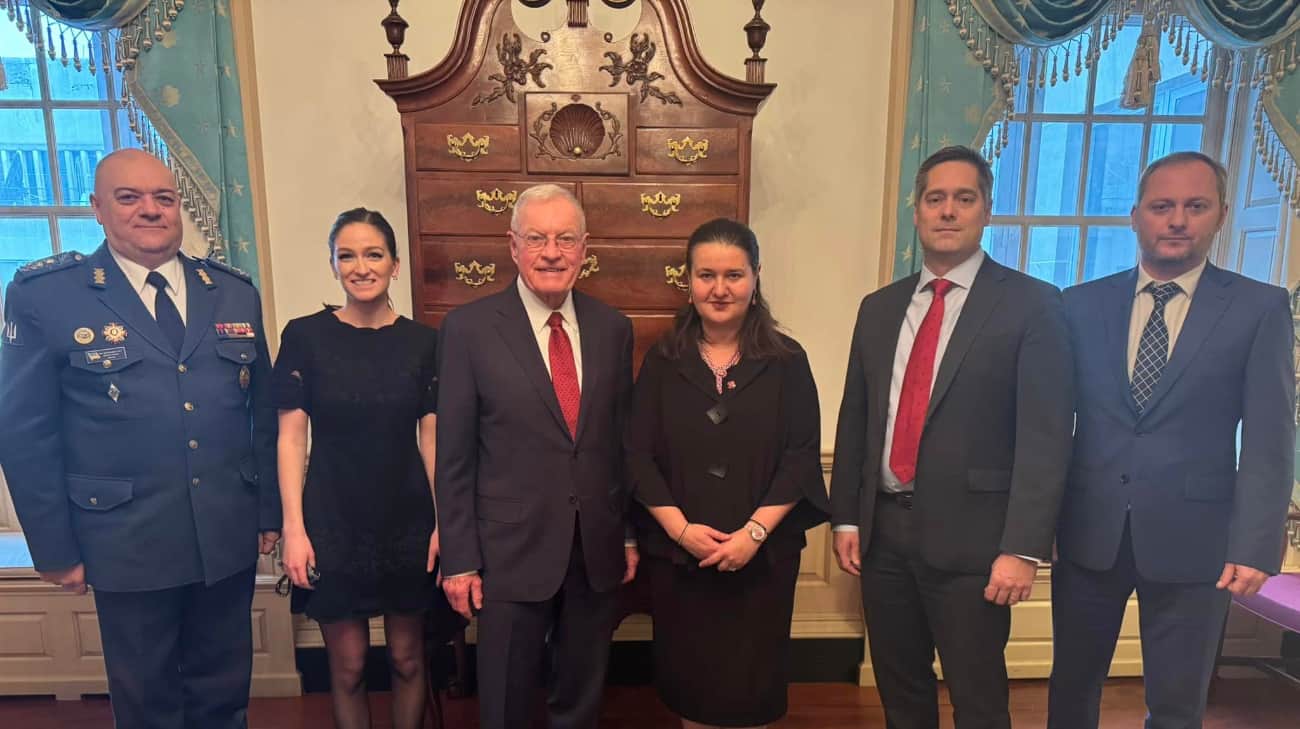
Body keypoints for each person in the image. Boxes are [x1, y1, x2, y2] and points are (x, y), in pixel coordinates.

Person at [0, 149, 280, 729]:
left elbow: (263, 413)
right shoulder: (47, 295)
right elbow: (25, 431)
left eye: (163, 198)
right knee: (148, 703)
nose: (150, 210)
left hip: (224, 532)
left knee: (224, 696)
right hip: (123, 539)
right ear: (97, 209)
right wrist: (54, 548)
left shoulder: (231, 291)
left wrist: (267, 512)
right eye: (128, 198)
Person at [828, 145, 1074, 729]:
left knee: (978, 697)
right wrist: (846, 519)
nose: (947, 211)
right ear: (916, 210)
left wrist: (1023, 548)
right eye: (935, 199)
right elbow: (856, 418)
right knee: (900, 690)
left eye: (964, 199)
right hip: (884, 536)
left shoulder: (1032, 305)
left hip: (978, 545)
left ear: (986, 210)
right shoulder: (879, 308)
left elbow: (1046, 437)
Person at [1047, 151, 1296, 729]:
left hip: (1198, 542)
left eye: (1195, 206)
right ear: (1135, 216)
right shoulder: (1078, 304)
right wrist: (1038, 527)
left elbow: (1270, 437)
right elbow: (1050, 428)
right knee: (1071, 691)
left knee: (1178, 705)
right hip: (1087, 534)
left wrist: (1256, 545)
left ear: (1222, 215)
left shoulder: (1258, 308)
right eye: (1162, 206)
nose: (1178, 220)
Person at [435, 183, 638, 729]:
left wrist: (626, 534)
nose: (552, 252)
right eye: (537, 239)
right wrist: (460, 559)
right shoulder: (468, 330)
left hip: (593, 551)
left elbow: (620, 444)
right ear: (513, 246)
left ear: (584, 248)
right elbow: (454, 457)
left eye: (565, 239)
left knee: (580, 700)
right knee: (505, 702)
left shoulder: (613, 329)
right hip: (507, 554)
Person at [625, 218, 829, 728]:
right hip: (681, 560)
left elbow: (801, 456)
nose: (720, 289)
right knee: (692, 689)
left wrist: (753, 535)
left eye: (734, 275)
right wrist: (681, 532)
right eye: (706, 275)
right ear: (688, 281)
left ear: (755, 277)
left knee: (750, 690)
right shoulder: (662, 361)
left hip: (763, 560)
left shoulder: (788, 361)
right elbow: (637, 455)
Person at [274, 208, 460, 729]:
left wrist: (446, 523)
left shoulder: (424, 343)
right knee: (350, 665)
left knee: (408, 659)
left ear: (395, 264)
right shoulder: (305, 336)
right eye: (347, 256)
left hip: (407, 519)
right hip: (332, 519)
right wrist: (294, 529)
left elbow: (433, 439)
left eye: (374, 254)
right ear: (333, 265)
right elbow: (291, 438)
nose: (361, 267)